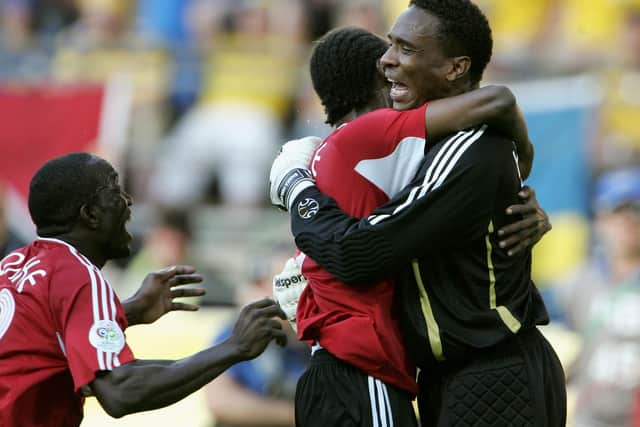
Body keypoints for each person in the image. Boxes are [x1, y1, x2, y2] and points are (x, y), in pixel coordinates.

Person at [270, 1, 565, 426]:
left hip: (496, 372)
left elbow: (358, 252)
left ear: (454, 68)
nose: (387, 61)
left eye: (406, 49)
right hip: (448, 375)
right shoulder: (412, 148)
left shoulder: (472, 149)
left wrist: (299, 193)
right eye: (390, 45)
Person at [0, 152, 288, 426]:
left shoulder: (14, 265)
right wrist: (233, 347)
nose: (128, 201)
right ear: (90, 214)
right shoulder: (76, 273)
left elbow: (40, 341)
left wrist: (127, 312)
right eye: (114, 190)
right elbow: (119, 391)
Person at [553, 167, 640, 427]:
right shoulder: (576, 284)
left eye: (634, 211)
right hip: (590, 417)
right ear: (600, 220)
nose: (626, 221)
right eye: (617, 212)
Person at [205, 253, 310, 427]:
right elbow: (220, 402)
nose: (297, 293)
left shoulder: (316, 336)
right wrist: (296, 415)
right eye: (286, 283)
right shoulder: (238, 332)